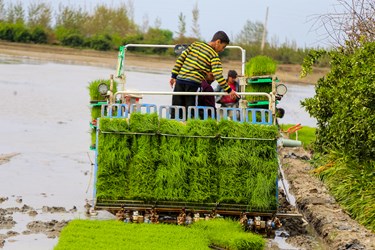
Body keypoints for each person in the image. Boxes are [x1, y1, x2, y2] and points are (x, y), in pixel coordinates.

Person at [169, 31, 239, 118]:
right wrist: (229, 90)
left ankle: (173, 126)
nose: (222, 50)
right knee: (190, 111)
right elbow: (218, 75)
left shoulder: (195, 44)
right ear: (218, 42)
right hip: (193, 84)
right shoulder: (214, 55)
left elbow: (181, 59)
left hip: (180, 81)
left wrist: (174, 76)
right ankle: (188, 127)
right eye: (223, 47)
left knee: (176, 109)